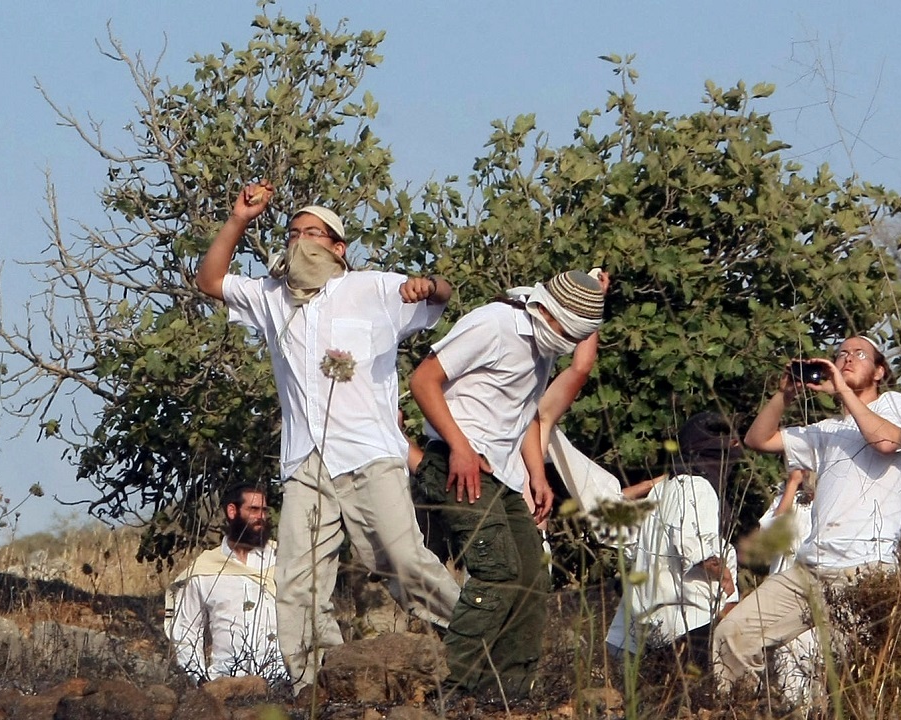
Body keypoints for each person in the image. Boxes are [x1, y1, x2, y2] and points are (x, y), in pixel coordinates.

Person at [195, 181, 460, 692]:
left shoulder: (371, 289)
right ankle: (317, 684)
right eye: (292, 233)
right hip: (306, 460)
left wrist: (428, 284)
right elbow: (211, 281)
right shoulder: (272, 297)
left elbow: (440, 294)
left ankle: (478, 640)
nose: (300, 243)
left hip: (368, 453)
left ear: (338, 248)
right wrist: (238, 220)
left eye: (312, 234)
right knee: (297, 579)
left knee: (401, 558)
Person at [409, 269, 607, 697]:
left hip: (502, 474)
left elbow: (527, 414)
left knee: (532, 576)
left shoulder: (544, 345)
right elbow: (423, 381)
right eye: (563, 329)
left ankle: (509, 691)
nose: (563, 338)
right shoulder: (494, 323)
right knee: (497, 570)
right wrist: (459, 446)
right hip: (454, 460)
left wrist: (537, 474)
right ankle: (456, 687)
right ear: (544, 310)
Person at [714, 336, 901, 692]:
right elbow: (758, 440)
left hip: (863, 570)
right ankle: (736, 710)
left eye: (859, 354)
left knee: (811, 670)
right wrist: (785, 395)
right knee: (731, 634)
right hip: (809, 569)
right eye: (840, 353)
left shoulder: (896, 406)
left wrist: (842, 392)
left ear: (879, 371)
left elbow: (886, 443)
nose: (846, 359)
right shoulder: (827, 430)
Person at [605, 412, 742, 672]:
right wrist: (727, 583)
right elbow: (695, 546)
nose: (736, 445)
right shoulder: (698, 488)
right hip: (690, 622)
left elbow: (614, 515)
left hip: (652, 626)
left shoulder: (662, 490)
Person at [165, 483, 287, 683]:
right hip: (225, 682)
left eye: (264, 510)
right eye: (253, 510)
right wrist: (199, 681)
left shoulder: (282, 559)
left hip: (280, 680)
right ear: (232, 511)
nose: (261, 517)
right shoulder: (205, 569)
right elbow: (187, 632)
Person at [752, 469, 819, 708]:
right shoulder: (787, 499)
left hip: (815, 591)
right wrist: (792, 485)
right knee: (782, 657)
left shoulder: (832, 499)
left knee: (802, 657)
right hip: (782, 589)